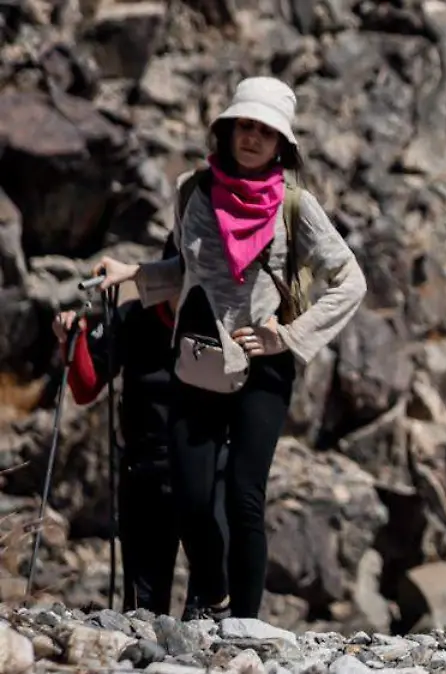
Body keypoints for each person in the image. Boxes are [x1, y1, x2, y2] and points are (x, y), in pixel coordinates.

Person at [92, 76, 368, 620]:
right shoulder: (192, 192)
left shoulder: (297, 206)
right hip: (196, 361)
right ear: (227, 129)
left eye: (266, 131)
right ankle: (214, 592)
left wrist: (287, 337)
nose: (253, 138)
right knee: (194, 502)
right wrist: (136, 273)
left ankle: (245, 626)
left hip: (264, 369)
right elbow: (194, 273)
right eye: (246, 125)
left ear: (281, 145)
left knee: (244, 498)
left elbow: (350, 280)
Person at [51, 241, 208, 615]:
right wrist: (72, 342)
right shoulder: (132, 318)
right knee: (143, 606)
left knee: (206, 603)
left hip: (202, 472)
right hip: (144, 471)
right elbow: (88, 388)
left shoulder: (214, 320)